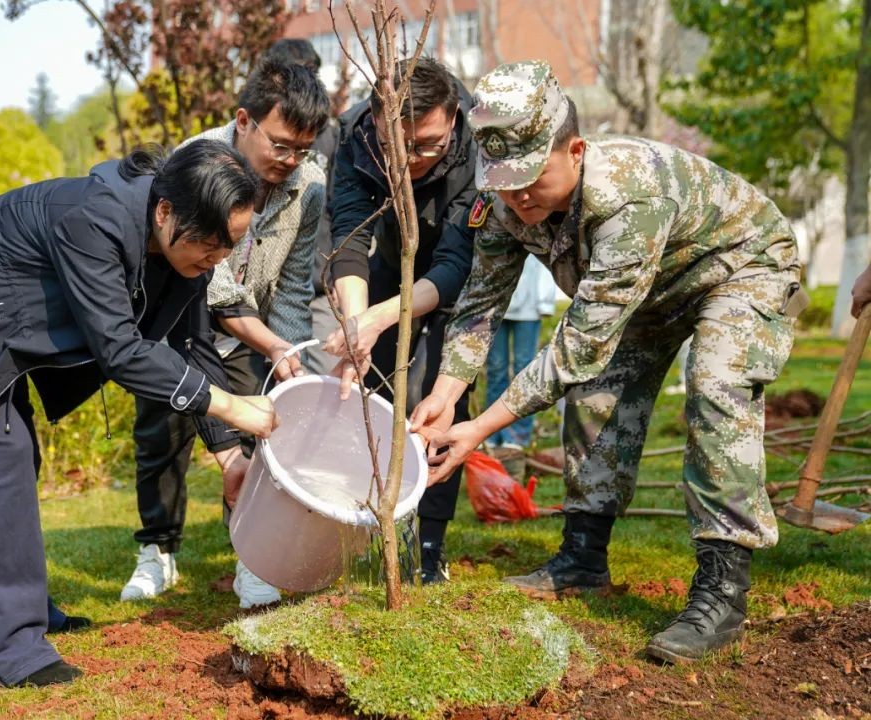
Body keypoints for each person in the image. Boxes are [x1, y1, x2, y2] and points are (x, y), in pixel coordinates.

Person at [413, 61, 805, 663]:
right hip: (648, 292)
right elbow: (478, 307)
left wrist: (479, 428)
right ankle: (582, 558)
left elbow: (579, 344)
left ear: (574, 150)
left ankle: (723, 588)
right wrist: (445, 392)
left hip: (738, 267)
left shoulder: (628, 197)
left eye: (531, 177)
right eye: (503, 180)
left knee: (716, 383)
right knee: (594, 396)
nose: (517, 197)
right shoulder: (502, 203)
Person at [0, 139, 277, 687]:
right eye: (210, 243)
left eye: (229, 246)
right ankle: (9, 650)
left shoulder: (183, 249)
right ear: (165, 212)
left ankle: (22, 610)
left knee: (15, 459)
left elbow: (193, 346)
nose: (217, 258)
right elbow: (120, 349)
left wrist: (229, 456)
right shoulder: (95, 217)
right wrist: (232, 404)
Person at [122, 57, 328, 609]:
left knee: (254, 440)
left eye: (303, 150)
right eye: (281, 145)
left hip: (251, 329)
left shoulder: (309, 187)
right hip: (179, 321)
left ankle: (252, 559)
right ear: (245, 120)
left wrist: (286, 355)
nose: (290, 161)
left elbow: (291, 283)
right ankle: (157, 550)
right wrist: (269, 341)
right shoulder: (196, 163)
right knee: (162, 434)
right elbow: (208, 284)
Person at [323, 56, 476, 584]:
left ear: (454, 117)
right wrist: (357, 323)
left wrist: (385, 316)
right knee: (377, 385)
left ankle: (429, 541)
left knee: (436, 393)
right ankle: (378, 521)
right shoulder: (355, 134)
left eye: (427, 145)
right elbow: (348, 236)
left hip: (455, 277)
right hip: (388, 266)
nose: (410, 161)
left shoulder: (477, 142)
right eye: (397, 147)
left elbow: (456, 265)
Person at [261, 38, 341, 376]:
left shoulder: (334, 137)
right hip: (263, 288)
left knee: (321, 375)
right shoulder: (258, 130)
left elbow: (343, 208)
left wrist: (340, 270)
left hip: (317, 282)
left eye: (312, 75)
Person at [483, 254, 555, 455]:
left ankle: (517, 436)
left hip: (529, 308)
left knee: (524, 369)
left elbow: (546, 261)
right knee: (496, 369)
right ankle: (490, 432)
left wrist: (545, 302)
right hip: (496, 306)